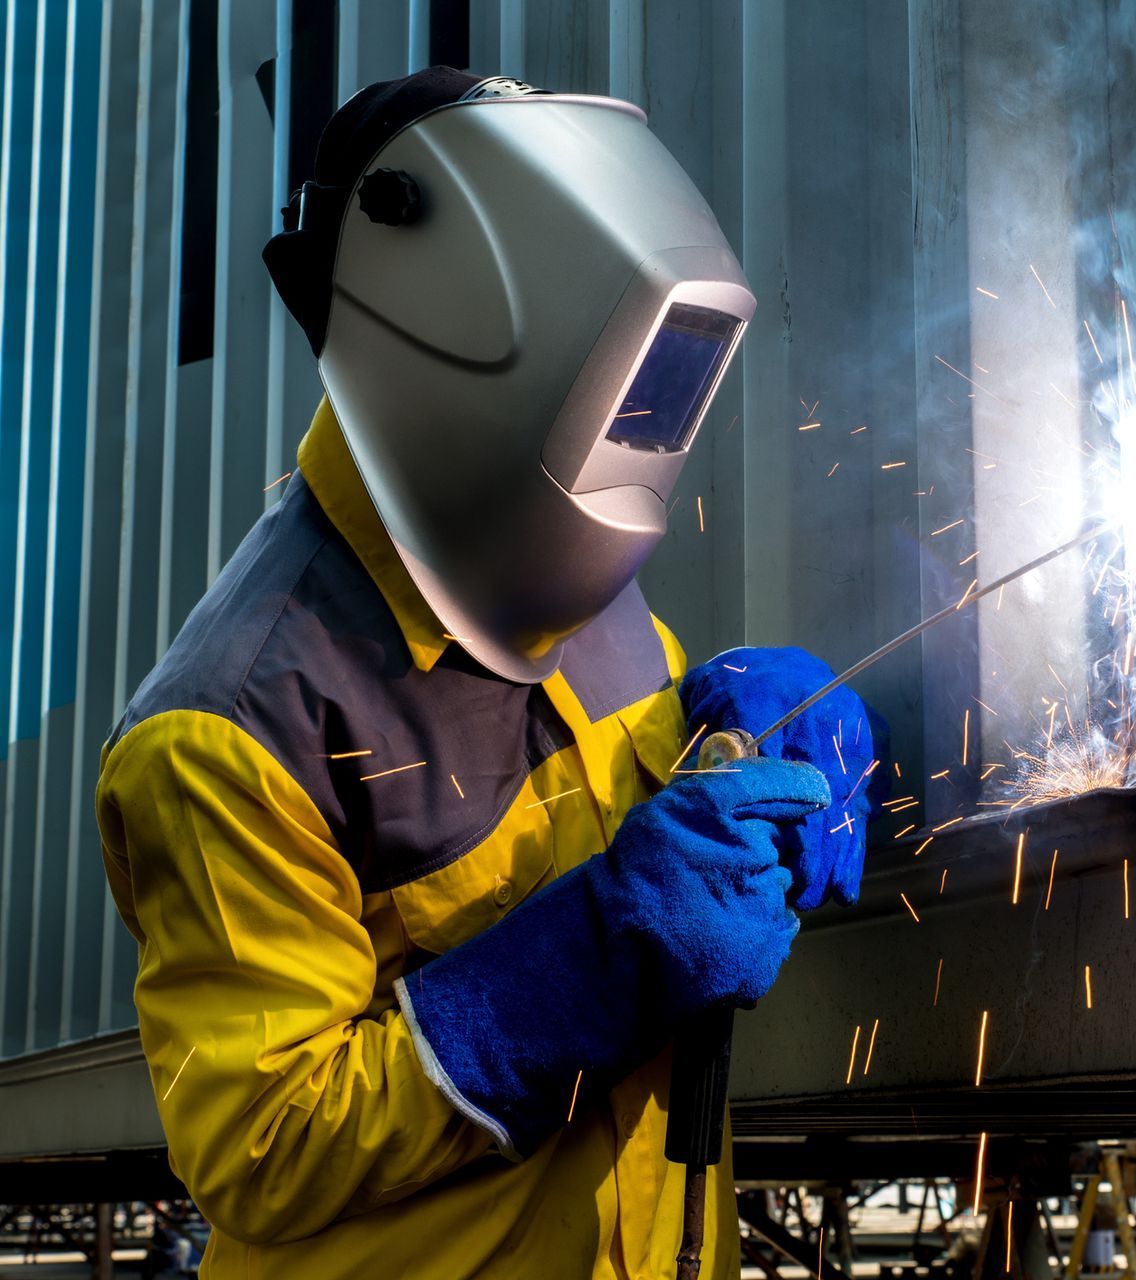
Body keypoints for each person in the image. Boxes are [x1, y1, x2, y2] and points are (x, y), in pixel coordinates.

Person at [95, 67, 877, 1278]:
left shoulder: (570, 573)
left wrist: (741, 726)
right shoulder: (229, 727)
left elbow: (629, 822)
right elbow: (263, 1143)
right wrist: (591, 966)